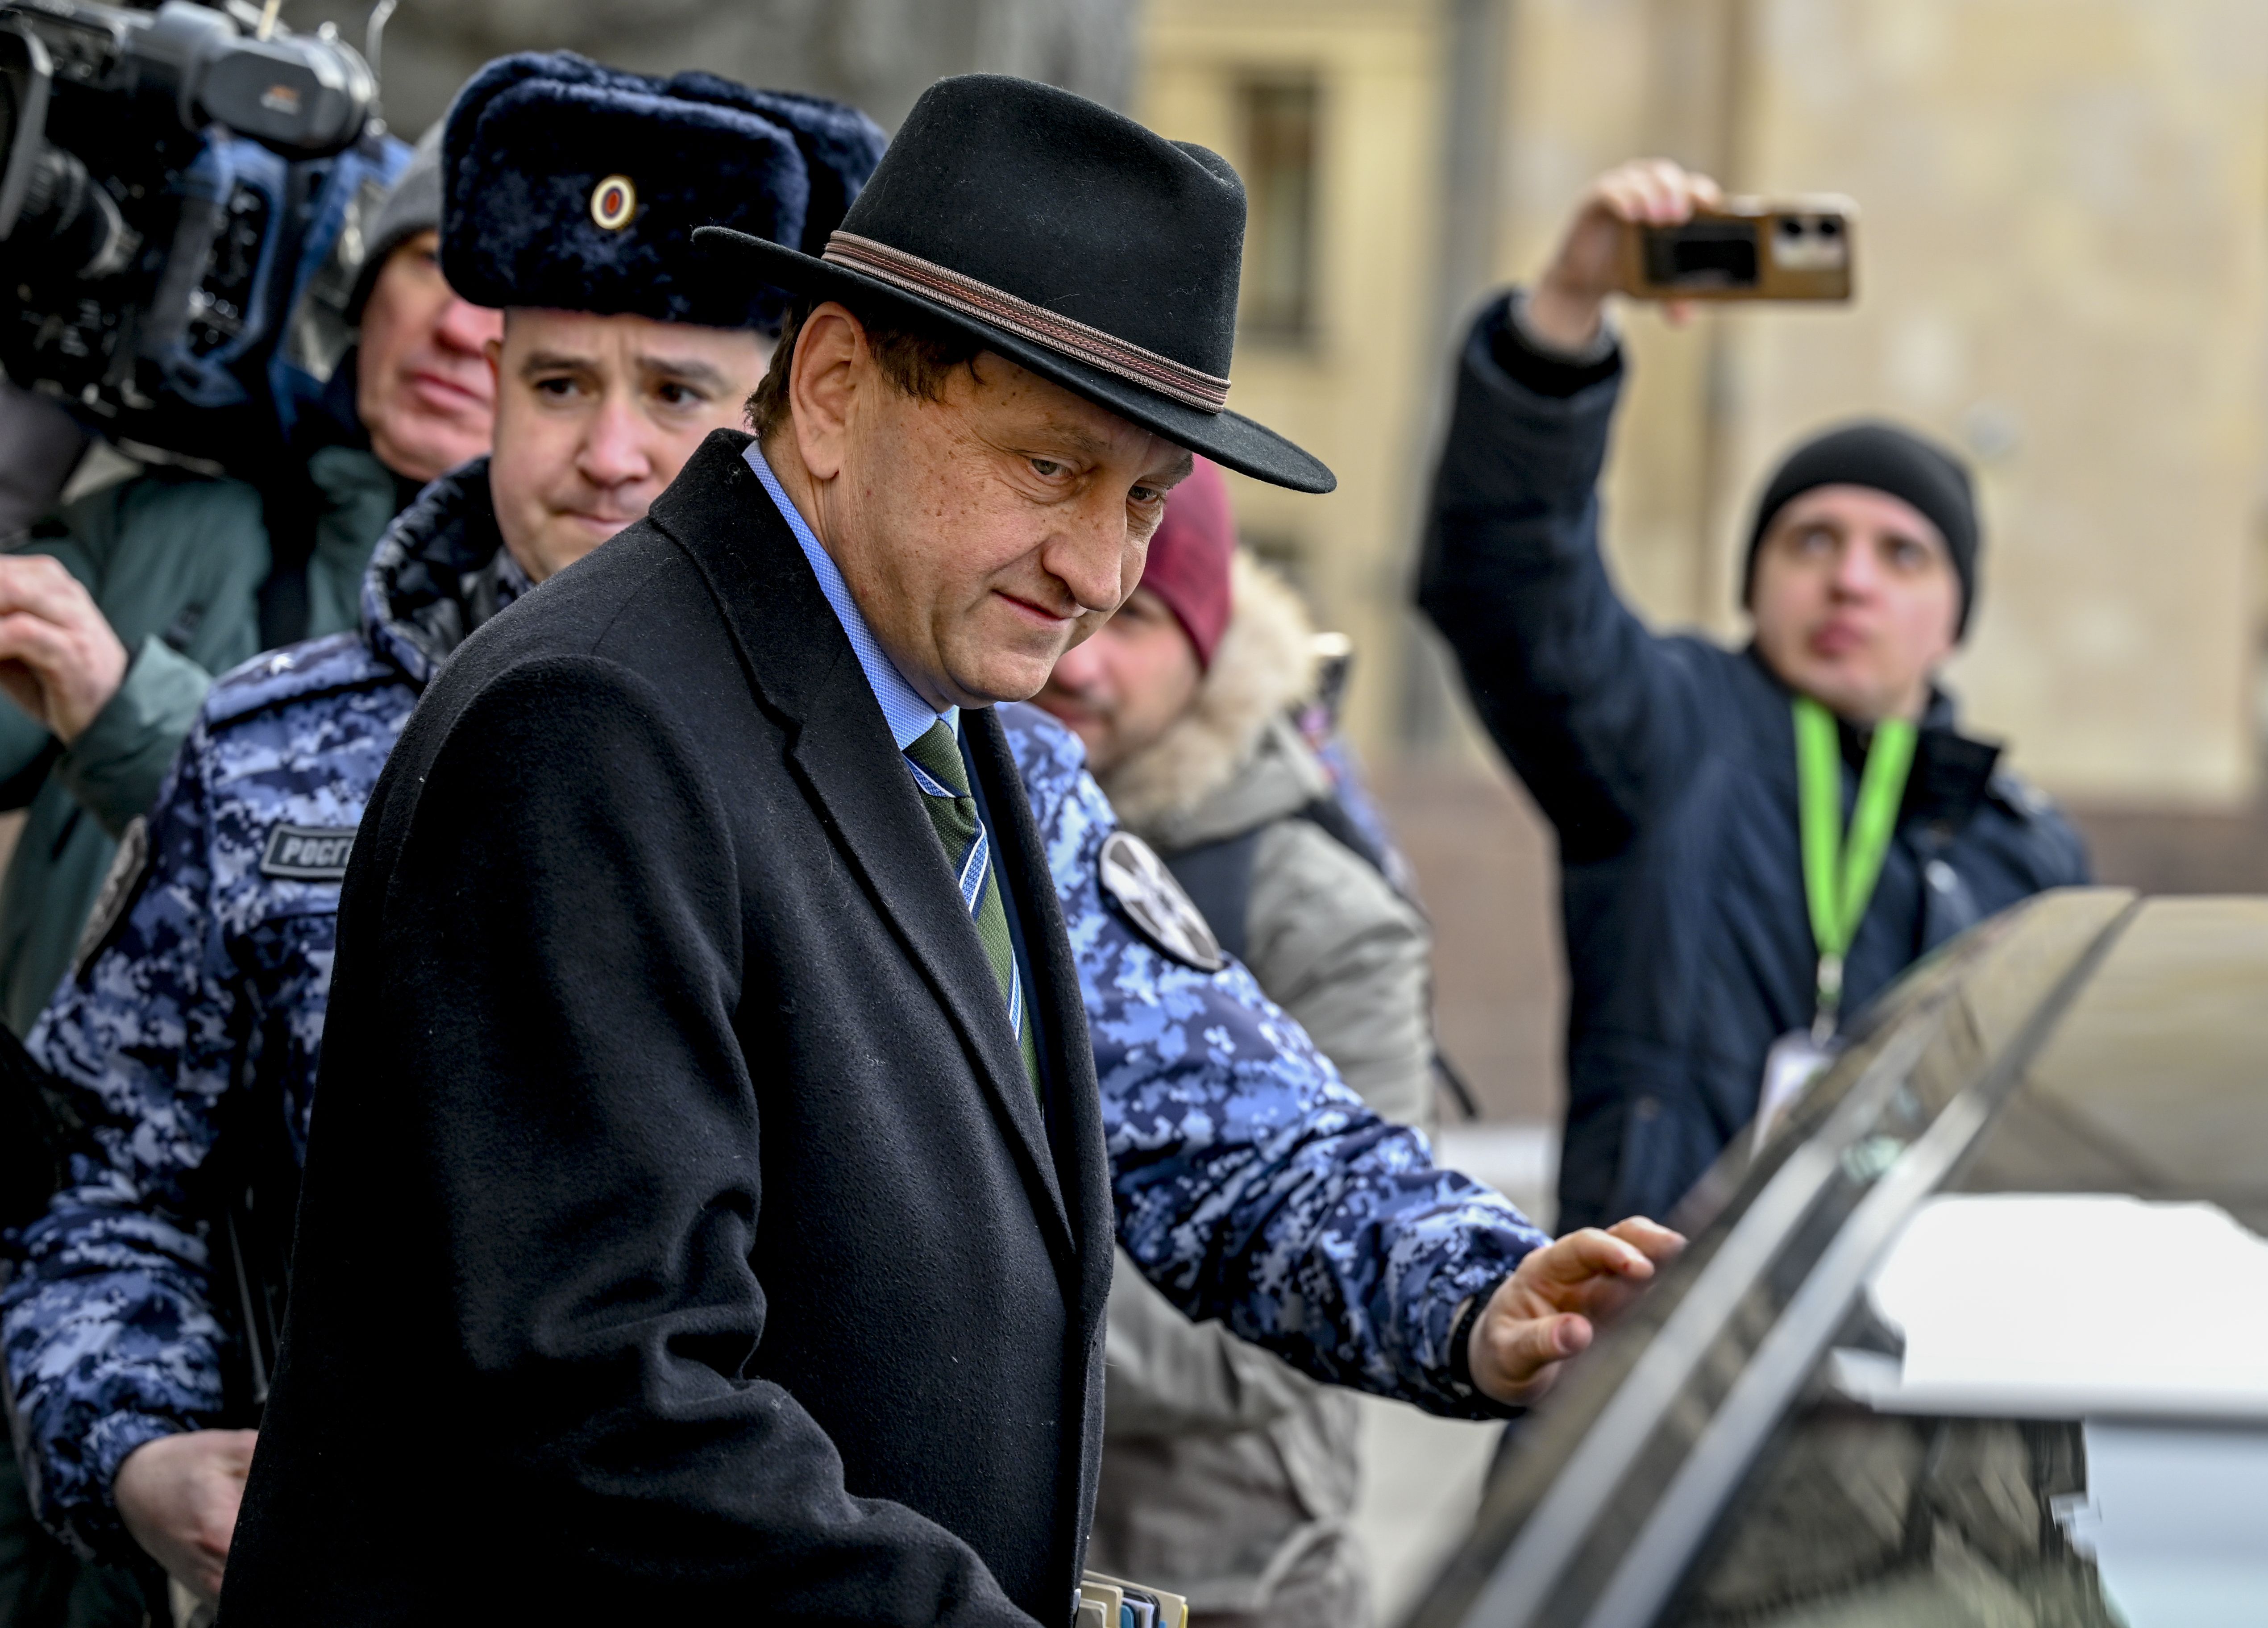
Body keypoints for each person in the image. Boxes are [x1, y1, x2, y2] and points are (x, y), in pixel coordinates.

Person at [215, 75, 1680, 1624]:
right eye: (1050, 468)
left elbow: (1222, 1119)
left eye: (1145, 498)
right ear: (836, 386)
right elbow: (605, 1407)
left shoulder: (948, 713)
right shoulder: (594, 727)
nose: (1101, 568)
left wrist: (1483, 1292)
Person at [0, 58, 889, 1616]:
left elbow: (1210, 1133)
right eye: (558, 385)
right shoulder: (266, 746)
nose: (609, 452)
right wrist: (135, 1447)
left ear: (798, 411)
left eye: (678, 394)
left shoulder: (928, 771)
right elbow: (101, 1176)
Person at [1416, 158, 2089, 1239]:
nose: (1851, 579)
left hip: (1906, 1318)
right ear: (1753, 583)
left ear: (1955, 619)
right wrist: (1568, 311)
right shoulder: (1671, 731)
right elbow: (1511, 585)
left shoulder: (2028, 854)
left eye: (1902, 554)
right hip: (1663, 1310)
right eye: (1812, 541)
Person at [0, 126, 500, 1036]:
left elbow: (424, 933)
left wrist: (124, 716)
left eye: (509, 293)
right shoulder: (160, 523)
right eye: (433, 261)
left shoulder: (564, 640)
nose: (460, 328)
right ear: (363, 292)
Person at [1041, 460, 1430, 1628]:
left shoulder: (1321, 913)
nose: (1083, 659)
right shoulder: (934, 815)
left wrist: (965, 1318)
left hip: (1221, 1579)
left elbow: (1328, 1280)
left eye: (1138, 620)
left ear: (1212, 646)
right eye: (1070, 608)